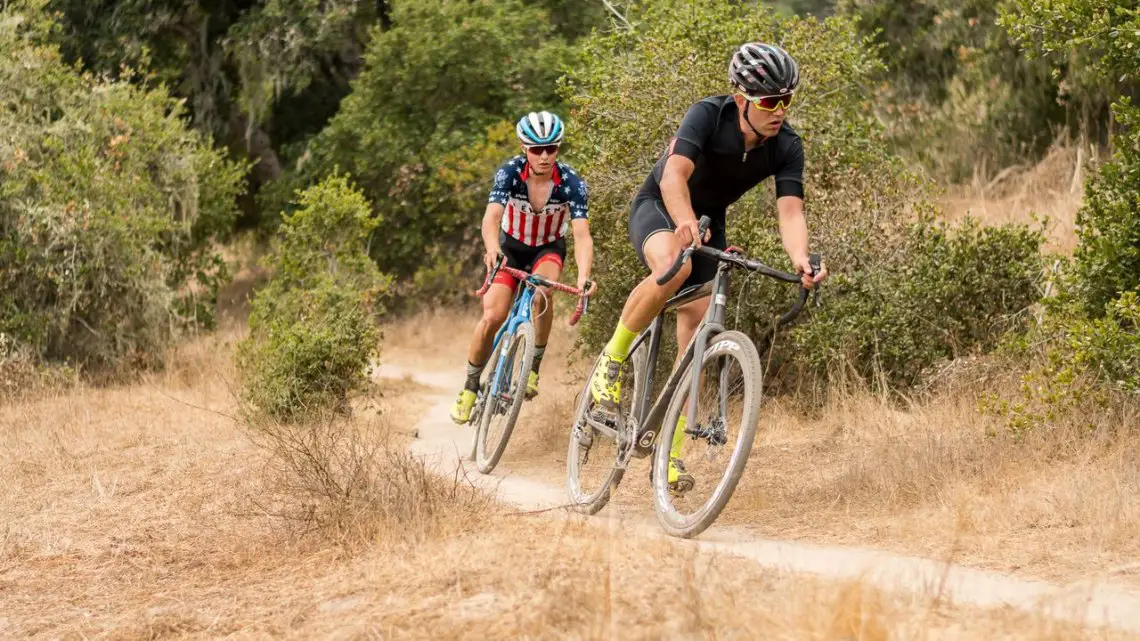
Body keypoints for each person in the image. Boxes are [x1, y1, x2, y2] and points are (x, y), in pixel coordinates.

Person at [588, 43, 829, 492]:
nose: (780, 111)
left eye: (787, 100)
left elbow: (791, 211)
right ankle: (612, 360)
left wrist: (801, 259)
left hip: (708, 221)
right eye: (770, 102)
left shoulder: (786, 146)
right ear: (741, 100)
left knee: (696, 341)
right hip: (662, 206)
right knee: (675, 269)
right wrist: (682, 222)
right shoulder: (707, 115)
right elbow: (673, 175)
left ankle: (670, 454)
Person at [450, 111, 596, 424]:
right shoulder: (509, 174)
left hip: (548, 249)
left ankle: (532, 367)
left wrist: (584, 276)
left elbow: (582, 235)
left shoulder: (572, 183)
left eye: (551, 149)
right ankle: (470, 387)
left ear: (558, 149)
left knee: (542, 293)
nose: (544, 156)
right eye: (536, 149)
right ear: (523, 148)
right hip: (510, 249)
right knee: (493, 316)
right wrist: (492, 249)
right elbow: (491, 218)